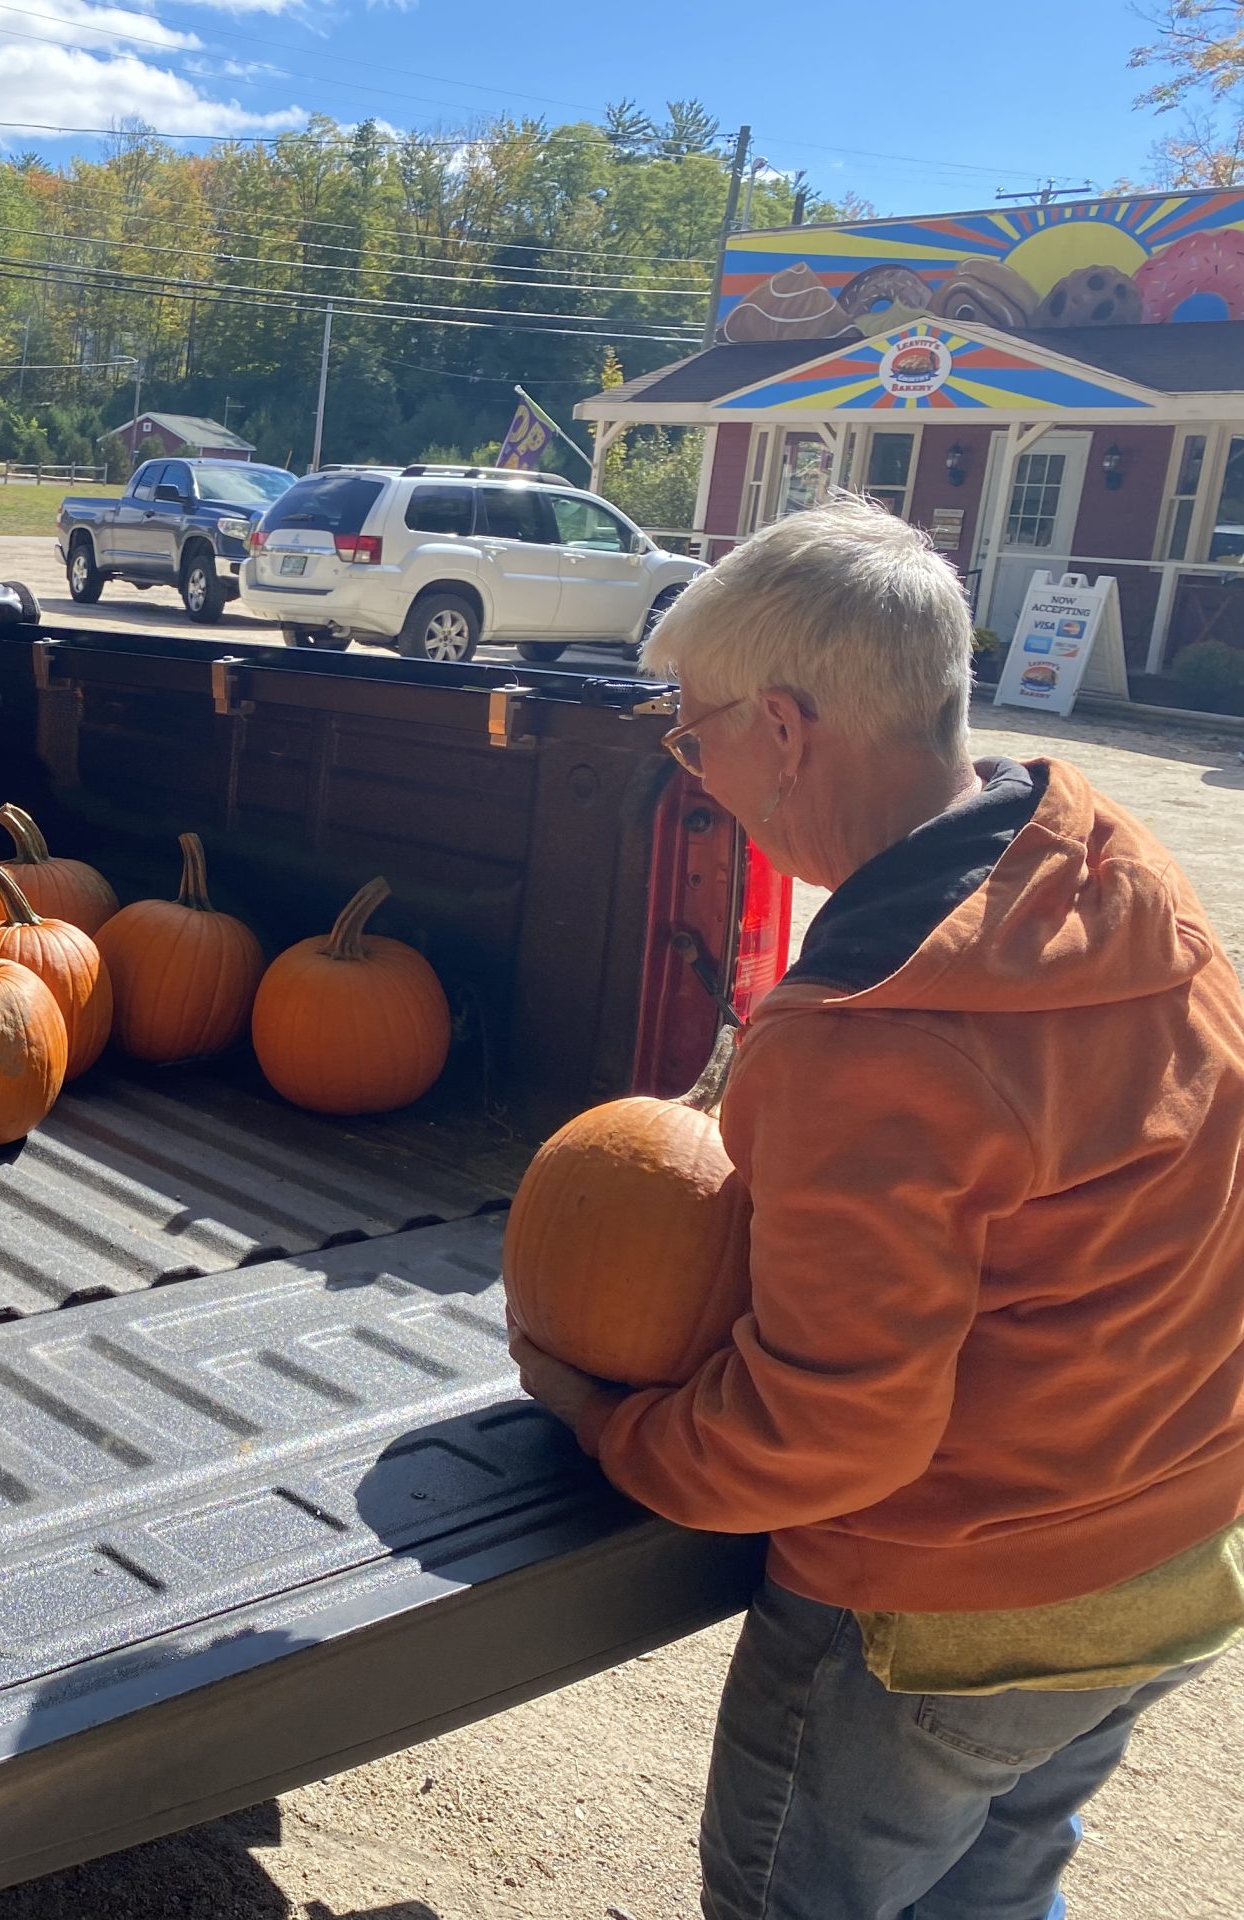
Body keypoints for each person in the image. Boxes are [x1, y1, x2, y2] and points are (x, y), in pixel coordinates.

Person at [509, 494, 1244, 1920]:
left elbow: (830, 1431)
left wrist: (609, 1425)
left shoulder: (866, 1034)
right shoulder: (1119, 871)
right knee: (997, 1889)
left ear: (786, 730)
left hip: (955, 1614)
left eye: (693, 728)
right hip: (1172, 1552)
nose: (691, 766)